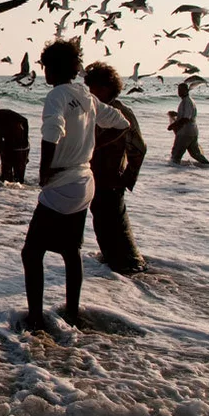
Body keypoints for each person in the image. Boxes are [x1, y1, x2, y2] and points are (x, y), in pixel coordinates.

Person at [22, 39, 130, 331]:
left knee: (31, 252)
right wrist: (90, 149)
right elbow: (121, 124)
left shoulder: (57, 94)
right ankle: (72, 313)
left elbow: (52, 130)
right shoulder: (87, 95)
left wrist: (45, 169)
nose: (43, 73)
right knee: (71, 251)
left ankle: (35, 318)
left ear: (52, 68)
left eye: (44, 67)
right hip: (85, 181)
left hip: (62, 182)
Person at [83, 62, 147, 275]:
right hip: (98, 178)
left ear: (109, 87)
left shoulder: (118, 111)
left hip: (111, 179)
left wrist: (128, 177)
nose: (92, 92)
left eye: (97, 88)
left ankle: (130, 267)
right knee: (103, 223)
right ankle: (117, 266)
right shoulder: (99, 110)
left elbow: (139, 147)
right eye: (90, 87)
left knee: (114, 225)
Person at [168, 82, 209, 165]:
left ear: (187, 90)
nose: (179, 92)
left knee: (176, 154)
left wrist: (173, 125)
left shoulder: (187, 102)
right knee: (196, 154)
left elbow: (186, 119)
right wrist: (177, 114)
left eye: (181, 90)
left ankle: (173, 172)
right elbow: (188, 115)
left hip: (186, 132)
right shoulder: (188, 101)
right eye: (178, 90)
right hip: (192, 131)